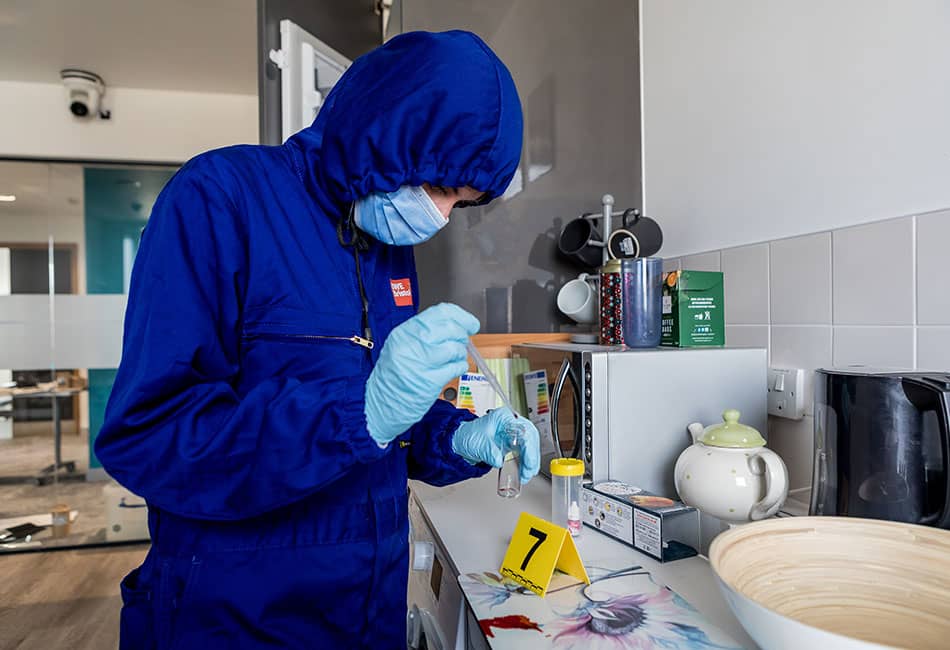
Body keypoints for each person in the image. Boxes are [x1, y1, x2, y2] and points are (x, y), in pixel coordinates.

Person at [95, 30, 540, 648]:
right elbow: (153, 435)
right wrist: (362, 414)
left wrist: (457, 436)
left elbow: (384, 426)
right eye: (440, 188)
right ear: (383, 129)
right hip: (234, 614)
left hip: (365, 609)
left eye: (460, 204)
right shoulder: (219, 198)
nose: (439, 217)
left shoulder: (387, 245)